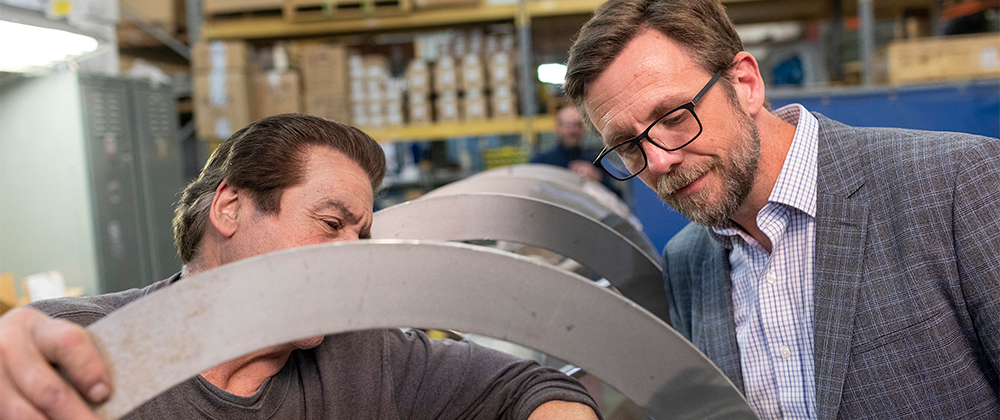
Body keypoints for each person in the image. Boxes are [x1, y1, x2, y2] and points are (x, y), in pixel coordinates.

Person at [0, 114, 600, 420]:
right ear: (231, 206)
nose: (353, 256)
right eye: (331, 223)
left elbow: (529, 388)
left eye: (362, 235)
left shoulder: (364, 357)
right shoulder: (85, 349)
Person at [564, 0, 1000, 418]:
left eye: (675, 117)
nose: (659, 161)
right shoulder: (686, 263)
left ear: (745, 84)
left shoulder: (956, 183)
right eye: (627, 146)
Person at [531, 105, 604, 184]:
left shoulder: (596, 161)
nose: (573, 130)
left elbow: (613, 193)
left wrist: (597, 179)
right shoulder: (541, 162)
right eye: (568, 124)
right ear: (557, 128)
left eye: (578, 125)